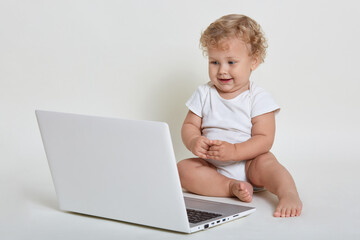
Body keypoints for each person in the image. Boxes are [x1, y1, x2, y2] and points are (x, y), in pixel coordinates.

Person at [177, 14, 302, 217]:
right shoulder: (203, 93)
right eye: (214, 62)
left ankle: (288, 193)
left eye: (231, 62)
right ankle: (230, 186)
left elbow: (264, 139)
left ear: (253, 62)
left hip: (249, 163)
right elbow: (189, 125)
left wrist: (235, 151)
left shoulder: (258, 97)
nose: (222, 70)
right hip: (213, 166)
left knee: (268, 162)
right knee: (183, 168)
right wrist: (193, 141)